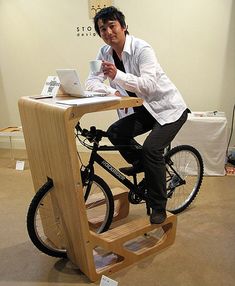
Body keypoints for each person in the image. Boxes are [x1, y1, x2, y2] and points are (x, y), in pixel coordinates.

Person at [86, 6, 189, 224]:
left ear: (123, 27)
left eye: (112, 26)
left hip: (169, 109)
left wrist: (117, 76)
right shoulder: (104, 53)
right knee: (115, 133)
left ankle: (158, 206)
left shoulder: (142, 49)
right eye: (102, 29)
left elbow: (149, 86)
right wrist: (110, 89)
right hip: (144, 109)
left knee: (152, 149)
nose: (108, 32)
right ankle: (144, 164)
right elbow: (91, 81)